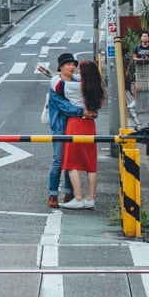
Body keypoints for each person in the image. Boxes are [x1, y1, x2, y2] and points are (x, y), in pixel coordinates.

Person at [62, 60, 103, 209]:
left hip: (75, 123)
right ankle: (90, 198)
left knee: (71, 162)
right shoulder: (97, 89)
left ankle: (78, 197)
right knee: (90, 163)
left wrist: (57, 75)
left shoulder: (73, 87)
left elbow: (58, 85)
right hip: (90, 125)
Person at [46, 52, 84, 209]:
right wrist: (82, 112)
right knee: (58, 161)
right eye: (68, 64)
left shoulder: (76, 83)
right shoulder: (56, 86)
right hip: (61, 127)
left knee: (72, 161)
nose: (72, 67)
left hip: (75, 126)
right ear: (60, 67)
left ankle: (69, 193)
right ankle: (53, 194)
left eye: (73, 64)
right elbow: (63, 106)